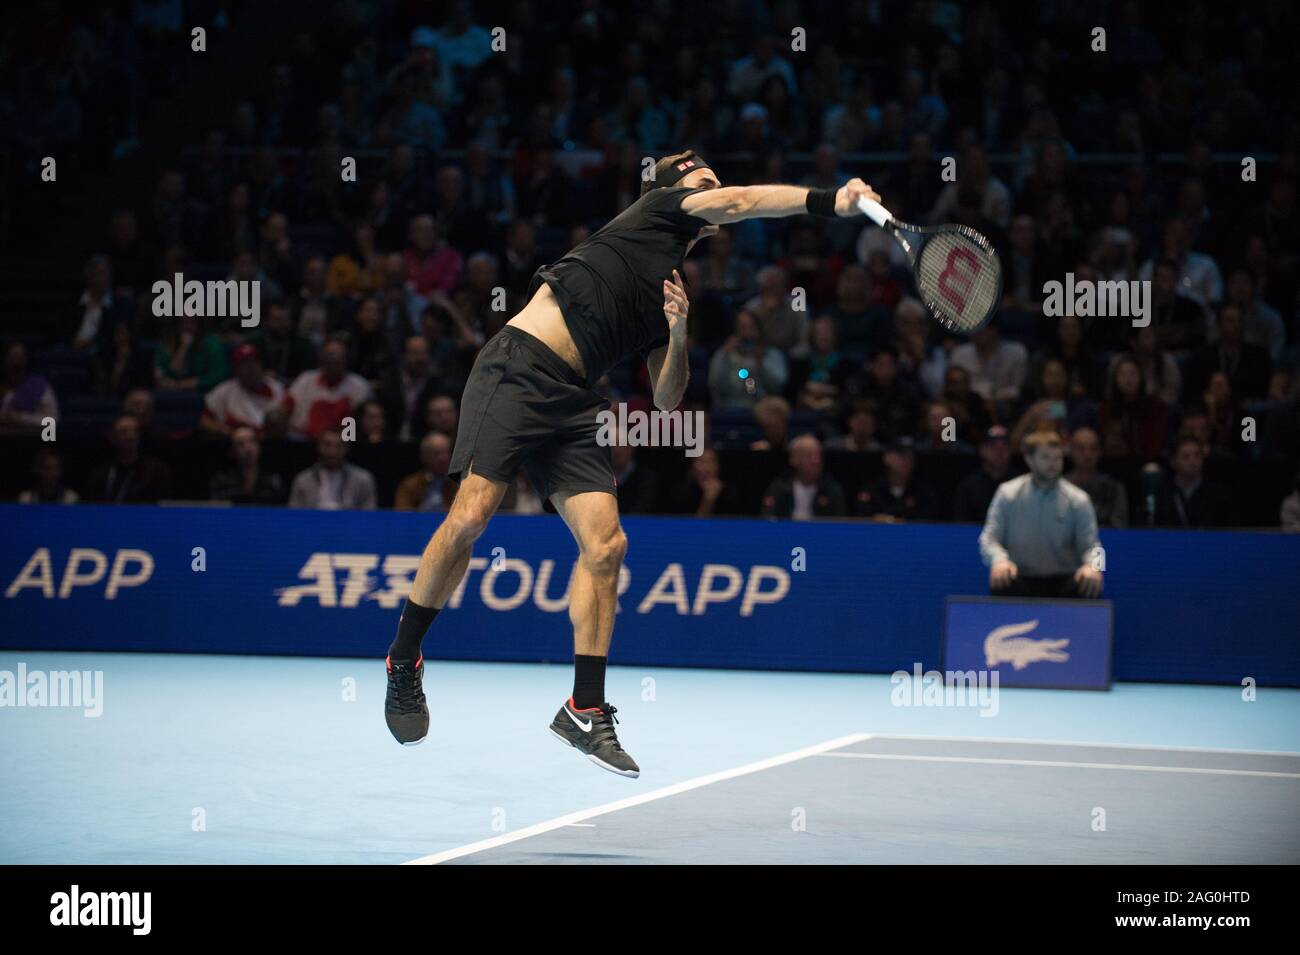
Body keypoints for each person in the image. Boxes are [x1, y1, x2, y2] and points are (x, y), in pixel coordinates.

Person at [383, 150, 880, 777]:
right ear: (675, 189)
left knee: (608, 546)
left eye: (715, 180)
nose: (715, 187)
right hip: (517, 368)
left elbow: (668, 397)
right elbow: (743, 202)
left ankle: (584, 709)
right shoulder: (658, 209)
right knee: (474, 514)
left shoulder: (671, 283)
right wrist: (828, 201)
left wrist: (676, 331)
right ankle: (405, 660)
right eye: (704, 179)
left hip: (576, 400)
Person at [979, 429, 1103, 599]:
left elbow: (1095, 546)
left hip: (1063, 580)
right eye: (1045, 457)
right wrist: (999, 560)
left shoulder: (1079, 499)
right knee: (1002, 581)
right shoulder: (1007, 494)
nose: (1053, 463)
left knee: (1088, 583)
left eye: (1057, 458)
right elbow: (989, 539)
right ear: (1029, 459)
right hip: (1020, 578)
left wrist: (1094, 567)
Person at [84, 414, 173, 504]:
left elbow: (163, 503)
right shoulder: (101, 474)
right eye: (124, 432)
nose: (131, 436)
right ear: (112, 436)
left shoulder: (156, 471)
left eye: (135, 431)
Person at [201, 344, 286, 435]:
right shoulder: (225, 390)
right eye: (244, 365)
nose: (250, 369)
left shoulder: (276, 387)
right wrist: (224, 431)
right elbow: (204, 420)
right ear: (236, 369)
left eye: (253, 363)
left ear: (261, 365)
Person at [288, 426, 378, 510]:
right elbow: (294, 516)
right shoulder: (302, 480)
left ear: (347, 448)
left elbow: (368, 516)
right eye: (327, 445)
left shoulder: (363, 480)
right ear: (318, 447)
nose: (332, 451)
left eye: (339, 446)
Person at [760, 433, 847, 519]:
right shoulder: (779, 488)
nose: (815, 461)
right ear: (794, 459)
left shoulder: (832, 490)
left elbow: (840, 523)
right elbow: (767, 518)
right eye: (809, 456)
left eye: (818, 456)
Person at [1153, 436, 1234, 528]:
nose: (1193, 461)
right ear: (1173, 461)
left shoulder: (1217, 493)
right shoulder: (1163, 492)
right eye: (1186, 457)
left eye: (1197, 455)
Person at [1066, 426, 1128, 527]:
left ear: (1100, 452)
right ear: (1071, 451)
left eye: (1093, 448)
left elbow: (1119, 526)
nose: (1087, 454)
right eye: (1081, 449)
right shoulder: (1058, 487)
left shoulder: (1113, 487)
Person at [209, 425, 286, 505]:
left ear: (259, 447)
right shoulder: (221, 481)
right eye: (240, 444)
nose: (248, 448)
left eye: (252, 441)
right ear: (231, 451)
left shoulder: (273, 481)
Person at [953, 426, 1012, 522]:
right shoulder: (969, 486)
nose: (999, 451)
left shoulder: (1020, 485)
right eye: (993, 446)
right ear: (982, 450)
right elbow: (961, 525)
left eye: (1005, 445)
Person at [394, 431, 458, 511]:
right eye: (437, 453)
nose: (443, 458)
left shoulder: (457, 485)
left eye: (446, 453)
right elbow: (402, 514)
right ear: (424, 456)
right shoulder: (410, 484)